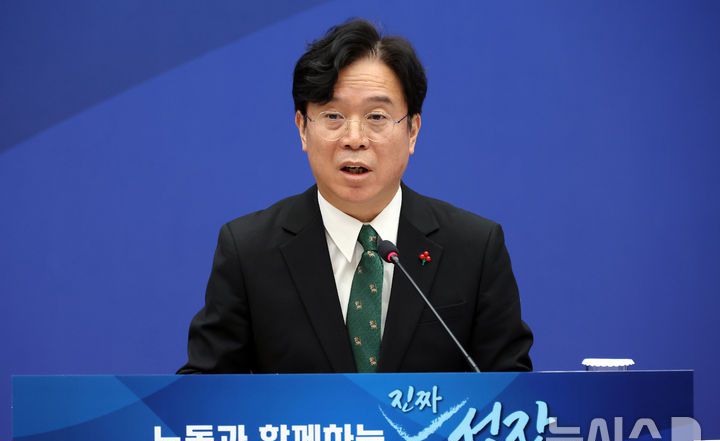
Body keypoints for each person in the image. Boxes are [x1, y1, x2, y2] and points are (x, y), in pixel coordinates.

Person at [178, 19, 532, 374]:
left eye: (376, 116)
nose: (354, 138)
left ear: (412, 131)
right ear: (302, 129)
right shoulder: (249, 252)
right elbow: (202, 393)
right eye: (333, 115)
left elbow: (514, 393)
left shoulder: (474, 249)